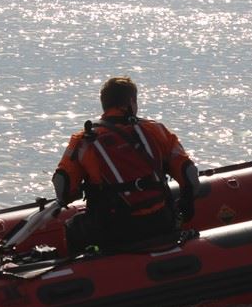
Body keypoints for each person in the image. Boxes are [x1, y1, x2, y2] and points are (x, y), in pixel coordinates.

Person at [53, 76, 200, 253]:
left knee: (74, 226)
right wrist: (187, 204)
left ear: (104, 104)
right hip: (161, 222)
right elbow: (189, 173)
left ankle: (82, 271)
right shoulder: (156, 131)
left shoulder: (84, 141)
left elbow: (62, 184)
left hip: (114, 230)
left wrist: (78, 191)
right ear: (131, 101)